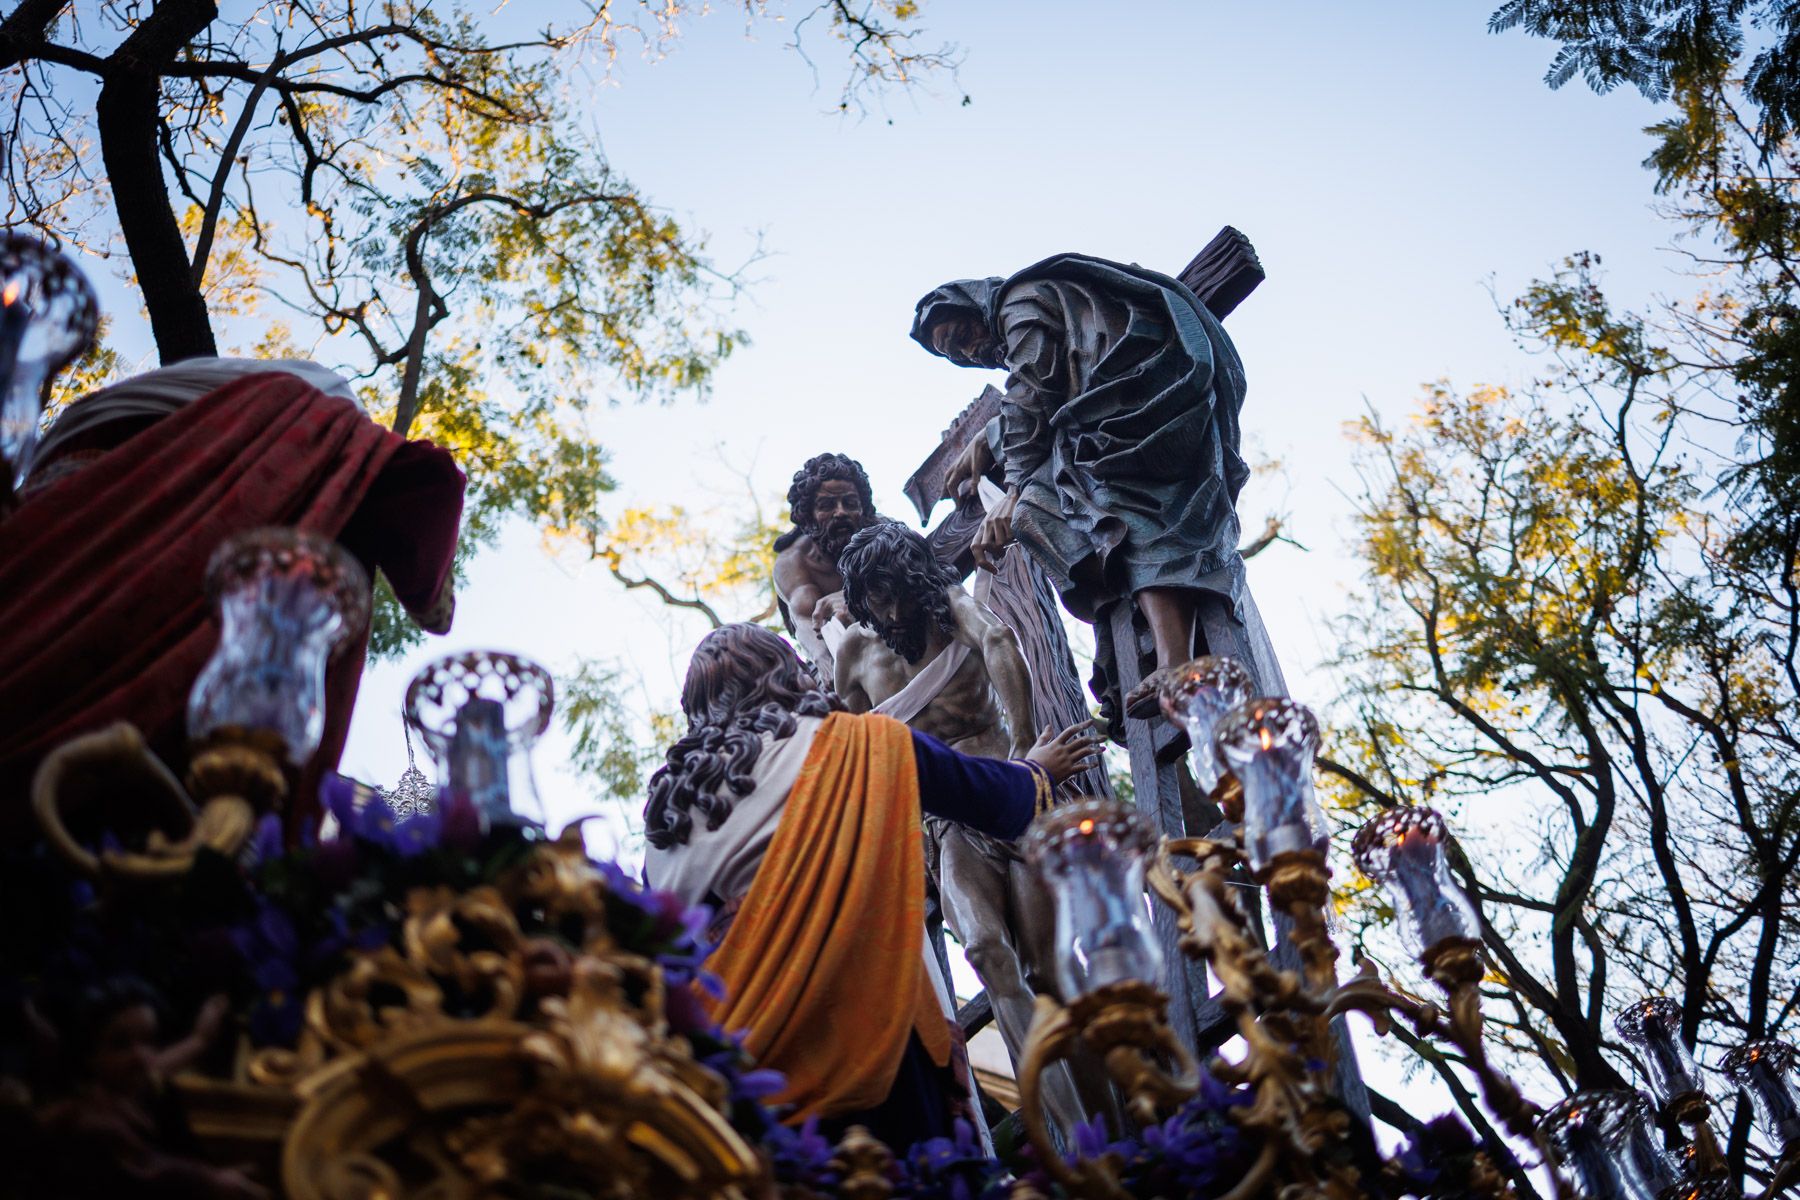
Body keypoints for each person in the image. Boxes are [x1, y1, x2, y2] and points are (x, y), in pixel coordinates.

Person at [642, 624, 1097, 1151]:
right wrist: (1034, 771)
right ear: (788, 674)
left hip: (745, 1084)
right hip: (871, 1051)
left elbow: (670, 961)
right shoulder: (854, 744)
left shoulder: (663, 828)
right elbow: (993, 799)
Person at [0, 357, 464, 831]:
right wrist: (438, 602)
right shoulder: (326, 427)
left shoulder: (241, 404)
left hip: (45, 521)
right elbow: (430, 487)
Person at [834, 520, 1111, 1137]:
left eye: (898, 588)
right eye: (877, 596)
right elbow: (858, 750)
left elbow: (1001, 641)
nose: (893, 607)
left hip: (1007, 790)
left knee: (1050, 970)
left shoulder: (946, 607)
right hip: (944, 825)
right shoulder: (853, 653)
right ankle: (1070, 1145)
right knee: (988, 954)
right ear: (860, 597)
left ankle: (1118, 1132)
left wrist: (1021, 758)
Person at [910, 255, 1272, 722]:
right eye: (954, 356)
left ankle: (1174, 660)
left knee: (1106, 499)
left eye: (962, 337)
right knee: (1037, 513)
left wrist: (1015, 482)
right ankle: (1119, 630)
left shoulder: (1020, 305)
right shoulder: (1026, 317)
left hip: (1148, 419)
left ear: (977, 306)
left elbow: (1036, 391)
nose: (969, 353)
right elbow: (1047, 392)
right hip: (1113, 420)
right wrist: (991, 439)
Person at [37, 977, 268, 1199]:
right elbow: (150, 1169)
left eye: (148, 1041)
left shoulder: (145, 1091)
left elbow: (156, 1068)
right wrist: (212, 1181)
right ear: (90, 1055)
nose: (140, 1056)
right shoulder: (85, 1119)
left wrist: (201, 1038)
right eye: (120, 1044)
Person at [770, 452, 881, 676]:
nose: (840, 512)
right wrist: (824, 661)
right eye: (827, 505)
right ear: (808, 515)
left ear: (864, 509)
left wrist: (857, 598)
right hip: (839, 649)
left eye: (850, 503)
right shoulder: (794, 562)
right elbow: (805, 619)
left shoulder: (884, 534)